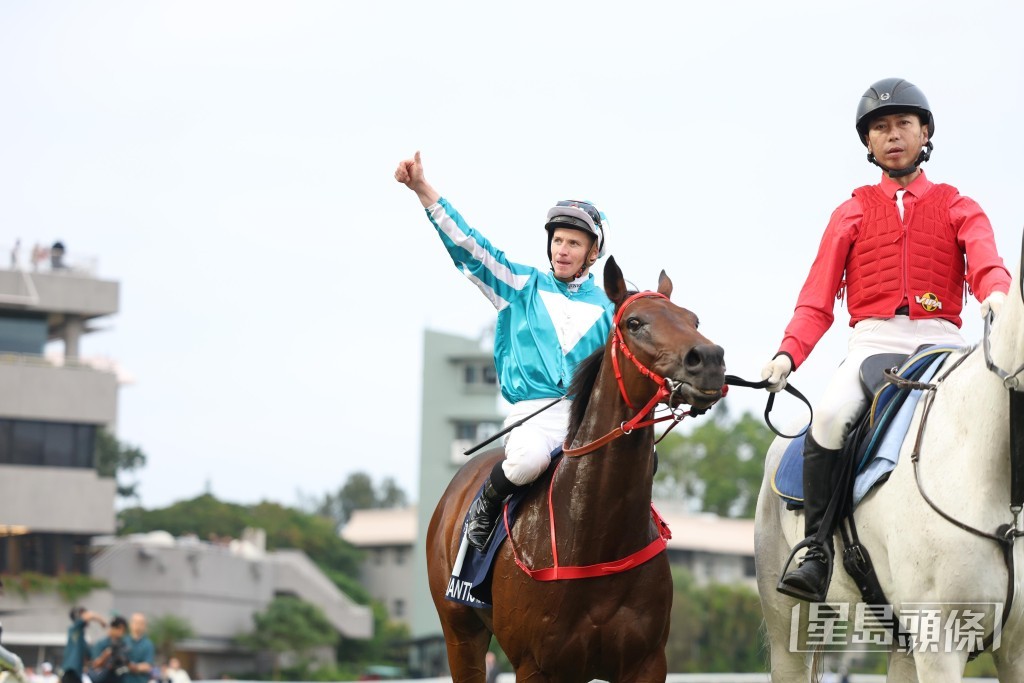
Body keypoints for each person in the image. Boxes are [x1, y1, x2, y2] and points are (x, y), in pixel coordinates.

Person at [761, 77, 1012, 602]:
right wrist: (789, 352)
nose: (892, 135)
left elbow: (987, 261)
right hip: (872, 344)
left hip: (943, 343)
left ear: (925, 134)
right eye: (880, 128)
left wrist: (995, 295)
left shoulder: (956, 204)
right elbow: (816, 299)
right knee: (828, 418)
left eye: (903, 124)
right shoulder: (849, 213)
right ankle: (815, 549)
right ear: (868, 143)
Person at [395, 151, 615, 550]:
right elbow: (470, 248)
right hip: (533, 415)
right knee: (530, 461)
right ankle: (485, 506)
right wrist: (422, 189)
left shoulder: (610, 309)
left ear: (592, 253)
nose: (562, 249)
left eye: (574, 243)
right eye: (558, 240)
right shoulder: (519, 285)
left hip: (588, 419)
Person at [62, 607, 107, 683]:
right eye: (84, 613)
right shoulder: (75, 629)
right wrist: (102, 621)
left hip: (77, 674)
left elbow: (91, 659)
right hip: (71, 672)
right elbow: (89, 616)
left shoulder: (82, 639)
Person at [89, 617, 129, 683]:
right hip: (103, 679)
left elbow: (126, 664)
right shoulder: (101, 644)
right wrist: (106, 656)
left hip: (119, 678)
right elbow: (95, 665)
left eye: (123, 630)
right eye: (118, 628)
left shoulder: (124, 644)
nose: (120, 632)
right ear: (112, 628)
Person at [121, 614, 153, 683]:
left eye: (141, 623)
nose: (138, 625)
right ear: (130, 624)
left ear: (145, 626)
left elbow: (148, 666)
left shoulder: (148, 644)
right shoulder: (123, 641)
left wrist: (133, 667)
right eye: (135, 622)